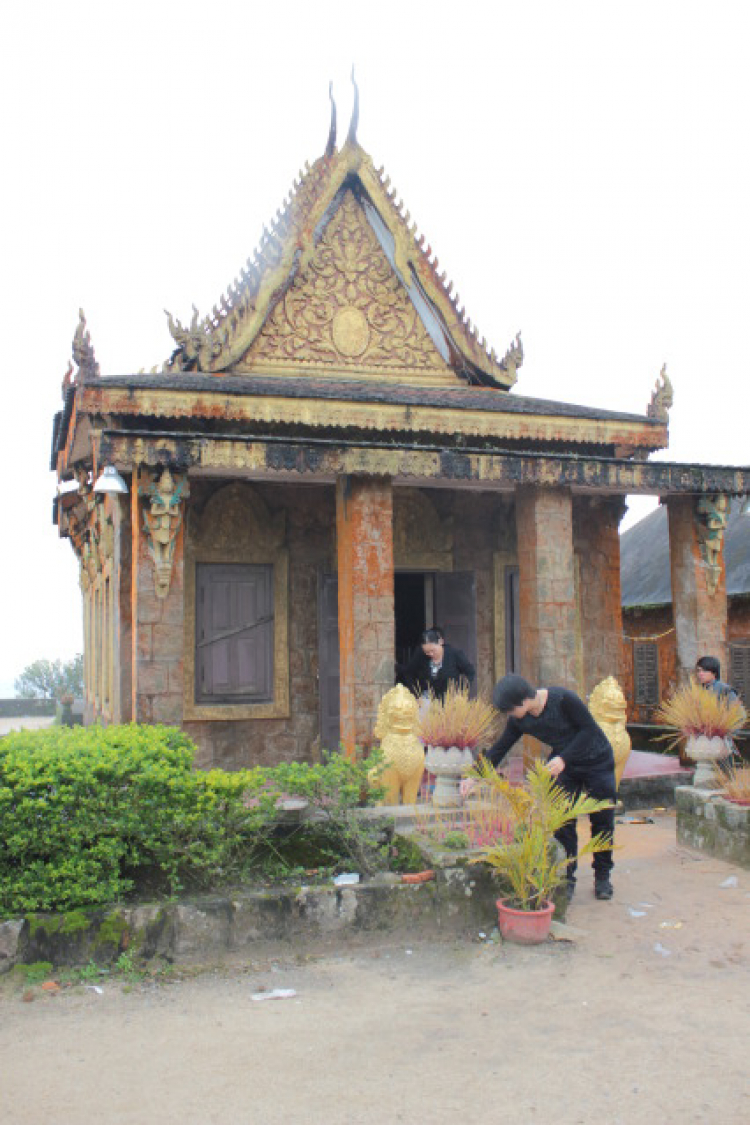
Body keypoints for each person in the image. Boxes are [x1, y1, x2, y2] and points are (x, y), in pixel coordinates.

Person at [484, 673, 616, 902]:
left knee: (602, 819)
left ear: (523, 701)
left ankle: (602, 876)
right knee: (561, 822)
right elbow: (500, 747)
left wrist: (564, 758)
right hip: (564, 766)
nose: (509, 715)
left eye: (509, 709)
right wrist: (474, 774)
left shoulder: (564, 700)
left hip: (597, 759)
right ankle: (566, 878)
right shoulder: (519, 720)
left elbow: (589, 730)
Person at [398, 626, 475, 702]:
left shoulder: (454, 654)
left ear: (440, 642)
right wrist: (415, 695)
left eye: (433, 650)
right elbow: (409, 673)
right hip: (426, 699)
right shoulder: (420, 655)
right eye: (427, 652)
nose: (430, 654)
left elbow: (470, 672)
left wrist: (460, 692)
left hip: (450, 700)